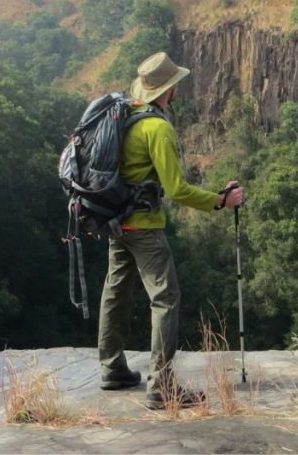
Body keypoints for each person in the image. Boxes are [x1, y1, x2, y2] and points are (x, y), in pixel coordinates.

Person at [98, 51, 243, 410]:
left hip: (116, 220)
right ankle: (161, 386)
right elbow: (176, 190)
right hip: (145, 227)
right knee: (165, 299)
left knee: (116, 290)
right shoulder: (157, 127)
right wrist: (220, 201)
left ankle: (112, 367)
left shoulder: (125, 114)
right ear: (170, 88)